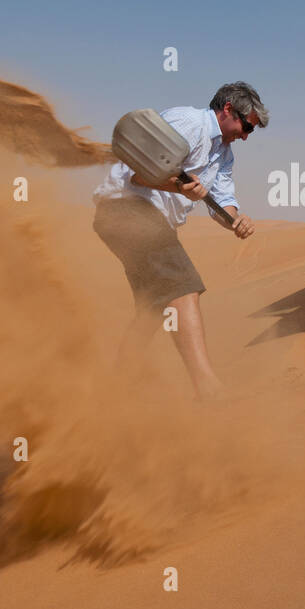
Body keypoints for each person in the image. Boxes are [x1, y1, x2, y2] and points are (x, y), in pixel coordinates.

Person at [92, 82, 267, 400]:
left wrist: (235, 220)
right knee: (183, 287)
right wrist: (180, 188)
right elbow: (138, 173)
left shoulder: (224, 156)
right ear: (228, 109)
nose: (245, 136)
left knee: (154, 308)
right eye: (246, 127)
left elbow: (220, 202)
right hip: (126, 209)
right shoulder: (189, 123)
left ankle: (113, 391)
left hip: (149, 219)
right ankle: (208, 390)